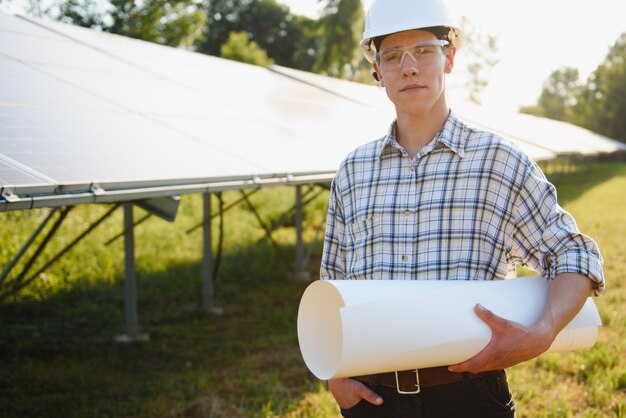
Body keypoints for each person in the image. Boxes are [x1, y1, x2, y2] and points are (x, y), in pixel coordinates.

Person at [319, 0, 605, 416]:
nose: (409, 67)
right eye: (393, 56)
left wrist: (542, 332)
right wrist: (335, 374)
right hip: (372, 398)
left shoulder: (498, 161)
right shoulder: (353, 171)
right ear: (377, 71)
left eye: (423, 51)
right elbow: (334, 281)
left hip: (469, 396)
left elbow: (576, 255)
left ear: (449, 58)